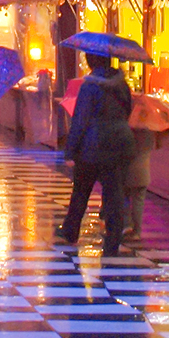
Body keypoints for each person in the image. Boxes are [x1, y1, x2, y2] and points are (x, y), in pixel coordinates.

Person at [55, 53, 135, 255]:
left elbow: (80, 120)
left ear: (91, 62)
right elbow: (128, 110)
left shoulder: (90, 86)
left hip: (93, 144)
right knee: (114, 192)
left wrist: (70, 150)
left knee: (81, 189)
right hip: (119, 143)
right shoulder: (122, 85)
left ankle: (71, 231)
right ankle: (113, 240)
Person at [122, 126, 156, 240]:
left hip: (128, 171)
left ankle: (127, 226)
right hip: (143, 172)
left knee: (125, 197)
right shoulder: (150, 133)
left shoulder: (127, 131)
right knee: (138, 201)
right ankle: (137, 231)